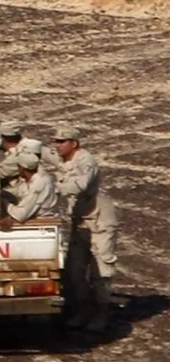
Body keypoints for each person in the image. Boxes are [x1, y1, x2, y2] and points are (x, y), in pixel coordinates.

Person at [54, 127, 119, 332]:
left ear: (74, 143)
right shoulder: (65, 161)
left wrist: (52, 188)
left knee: (101, 270)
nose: (58, 145)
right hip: (80, 222)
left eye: (62, 141)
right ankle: (83, 310)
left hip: (99, 222)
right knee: (74, 270)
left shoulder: (86, 161)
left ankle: (102, 313)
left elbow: (80, 185)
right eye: (56, 141)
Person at [3, 152, 59, 223]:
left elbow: (20, 215)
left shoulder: (39, 182)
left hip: (42, 223)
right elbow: (18, 192)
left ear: (22, 168)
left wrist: (5, 204)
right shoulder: (30, 180)